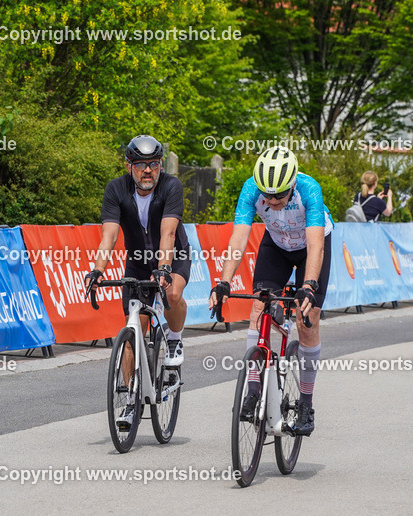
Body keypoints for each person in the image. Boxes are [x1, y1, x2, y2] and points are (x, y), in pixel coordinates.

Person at [208, 146, 333, 436]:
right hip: (276, 245)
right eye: (268, 195)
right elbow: (238, 239)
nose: (272, 201)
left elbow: (316, 246)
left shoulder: (309, 189)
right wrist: (224, 282)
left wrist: (308, 286)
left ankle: (306, 403)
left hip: (309, 249)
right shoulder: (251, 189)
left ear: (292, 185)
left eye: (279, 195)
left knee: (306, 320)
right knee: (258, 306)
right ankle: (253, 390)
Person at [85, 135, 189, 428]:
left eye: (154, 164)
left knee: (172, 295)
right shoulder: (116, 189)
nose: (148, 171)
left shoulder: (171, 186)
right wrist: (98, 271)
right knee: (132, 334)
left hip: (173, 256)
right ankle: (131, 401)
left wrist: (164, 268)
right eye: (141, 165)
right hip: (138, 264)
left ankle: (175, 341)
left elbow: (169, 233)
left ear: (160, 165)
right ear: (128, 165)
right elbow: (109, 235)